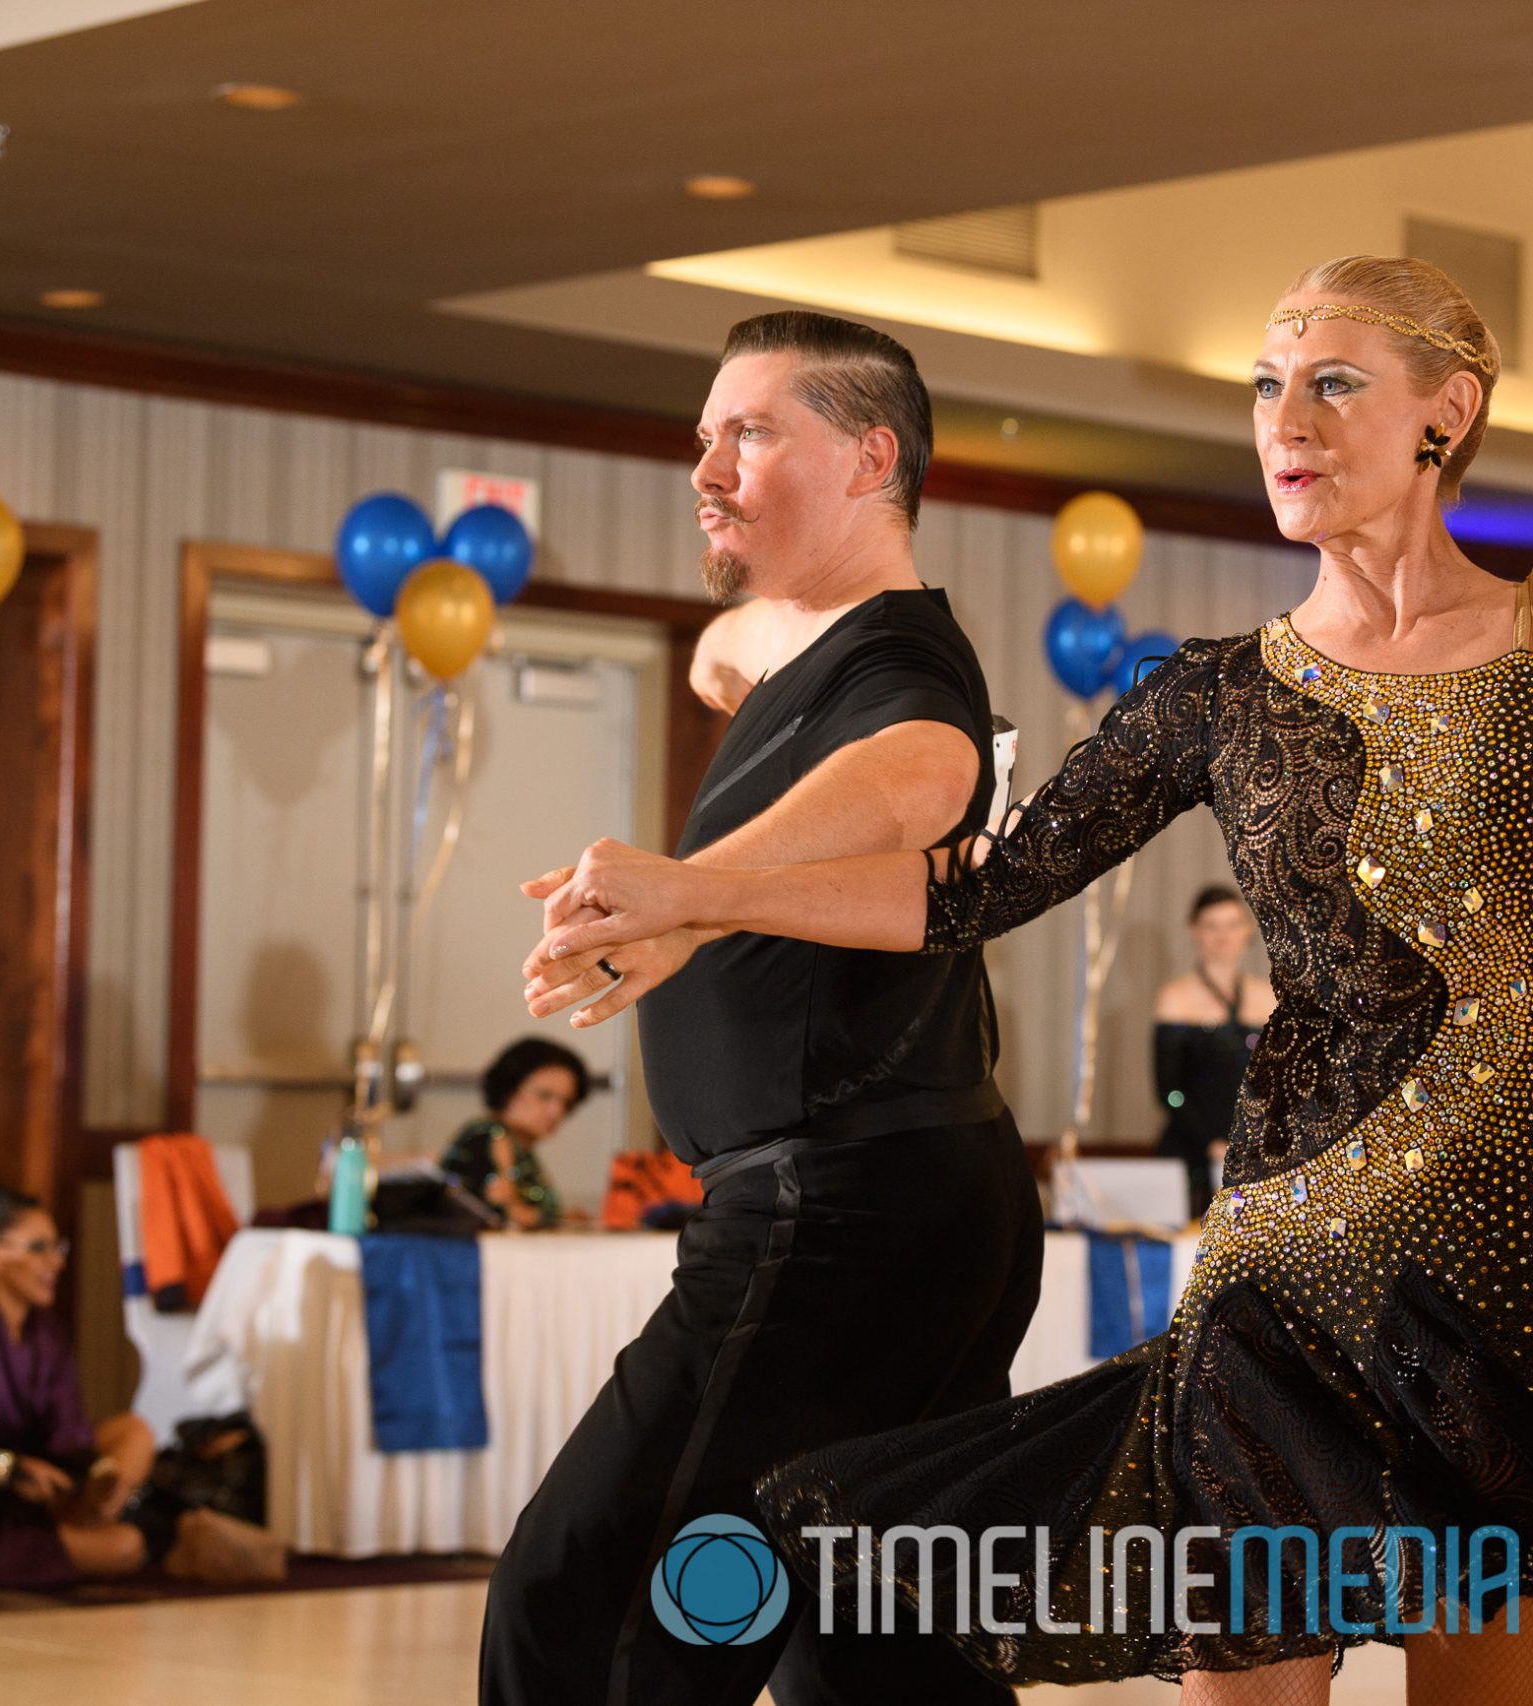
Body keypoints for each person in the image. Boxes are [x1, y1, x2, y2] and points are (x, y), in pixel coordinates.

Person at [523, 14, 1533, 1698]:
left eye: (1330, 382)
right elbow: (966, 894)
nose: (1281, 419)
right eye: (1262, 384)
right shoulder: (1212, 699)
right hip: (1282, 1277)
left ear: (1447, 414)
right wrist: (698, 889)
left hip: (1513, 1268)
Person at [484, 311, 1042, 1706]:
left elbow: (926, 774)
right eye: (702, 439)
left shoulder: (903, 672)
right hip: (912, 1205)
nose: (708, 468)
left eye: (750, 432)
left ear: (871, 459)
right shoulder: (808, 647)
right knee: (875, 1649)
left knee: (593, 1595)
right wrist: (743, 651)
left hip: (837, 1211)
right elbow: (718, 648)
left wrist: (685, 890)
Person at [0, 1179, 286, 1587]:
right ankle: (153, 1539)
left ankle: (103, 1519)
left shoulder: (47, 1332)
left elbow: (68, 1434)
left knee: (135, 1433)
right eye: (38, 1248)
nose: (55, 1264)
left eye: (57, 1248)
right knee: (123, 1550)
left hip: (44, 1491)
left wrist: (99, 1473)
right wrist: (9, 1469)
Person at [1153, 884, 1276, 1220]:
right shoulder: (1175, 998)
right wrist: (1212, 1144)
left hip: (1255, 1151)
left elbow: (1279, 1083)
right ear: (1195, 931)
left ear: (1248, 930)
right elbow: (1169, 1091)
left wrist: (1255, 1141)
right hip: (1193, 1151)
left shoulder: (1268, 998)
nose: (1223, 936)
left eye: (1232, 925)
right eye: (1212, 926)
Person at [439, 1036, 592, 1230]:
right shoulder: (491, 1136)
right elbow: (500, 1214)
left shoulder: (516, 1145)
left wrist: (562, 1217)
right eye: (544, 1095)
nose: (557, 1111)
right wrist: (556, 1220)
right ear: (509, 1089)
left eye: (566, 1102)